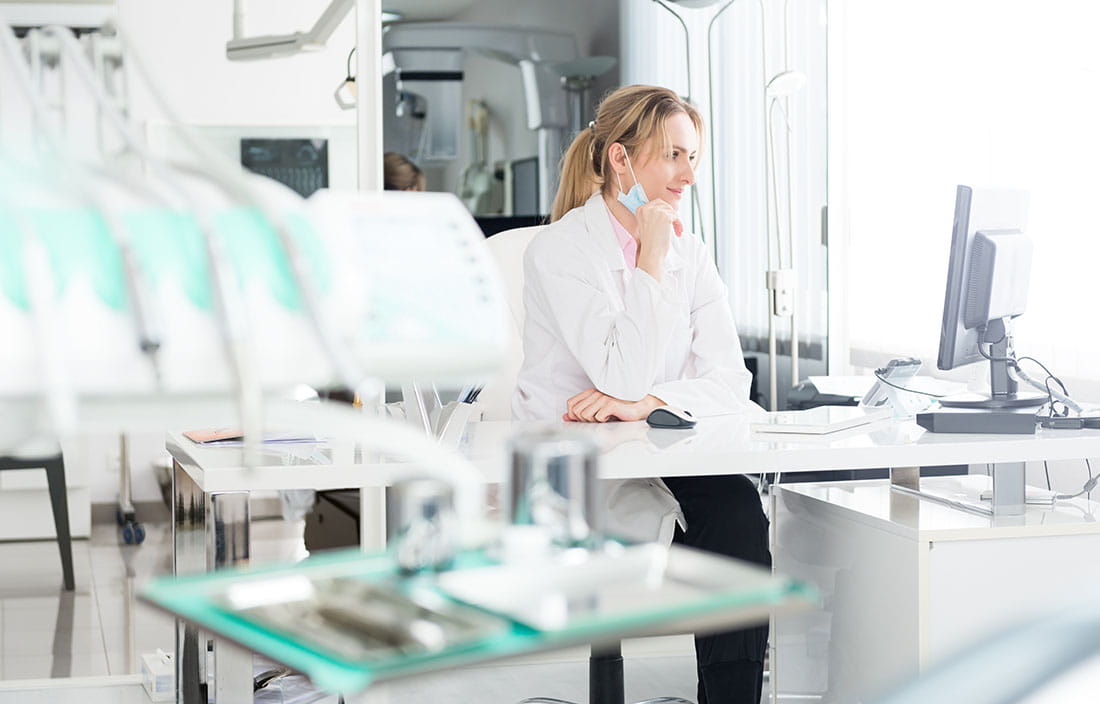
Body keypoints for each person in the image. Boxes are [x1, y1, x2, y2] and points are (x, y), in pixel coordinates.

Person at [512, 84, 771, 704]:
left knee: (738, 516)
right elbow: (620, 373)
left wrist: (647, 404)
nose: (687, 176)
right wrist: (650, 258)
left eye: (692, 158)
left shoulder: (693, 253)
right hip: (583, 475)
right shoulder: (562, 250)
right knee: (715, 540)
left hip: (664, 448)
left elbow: (732, 383)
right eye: (672, 157)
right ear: (620, 159)